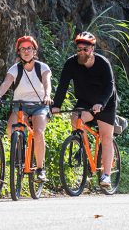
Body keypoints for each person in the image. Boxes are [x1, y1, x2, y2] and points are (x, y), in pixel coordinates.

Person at [51, 31, 118, 188]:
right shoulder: (71, 63)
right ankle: (82, 147)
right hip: (85, 102)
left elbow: (109, 86)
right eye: (79, 49)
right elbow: (62, 86)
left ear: (92, 49)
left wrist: (101, 103)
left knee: (106, 137)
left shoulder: (102, 63)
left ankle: (106, 176)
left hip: (105, 103)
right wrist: (56, 105)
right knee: (76, 119)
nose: (81, 52)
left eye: (85, 49)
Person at [0, 36, 52, 182]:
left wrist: (47, 95)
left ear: (34, 51)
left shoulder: (42, 67)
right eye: (22, 48)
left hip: (39, 105)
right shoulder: (15, 69)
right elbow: (6, 83)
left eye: (29, 48)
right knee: (10, 129)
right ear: (19, 52)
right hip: (20, 106)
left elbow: (47, 83)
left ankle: (40, 169)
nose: (26, 51)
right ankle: (19, 154)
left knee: (38, 132)